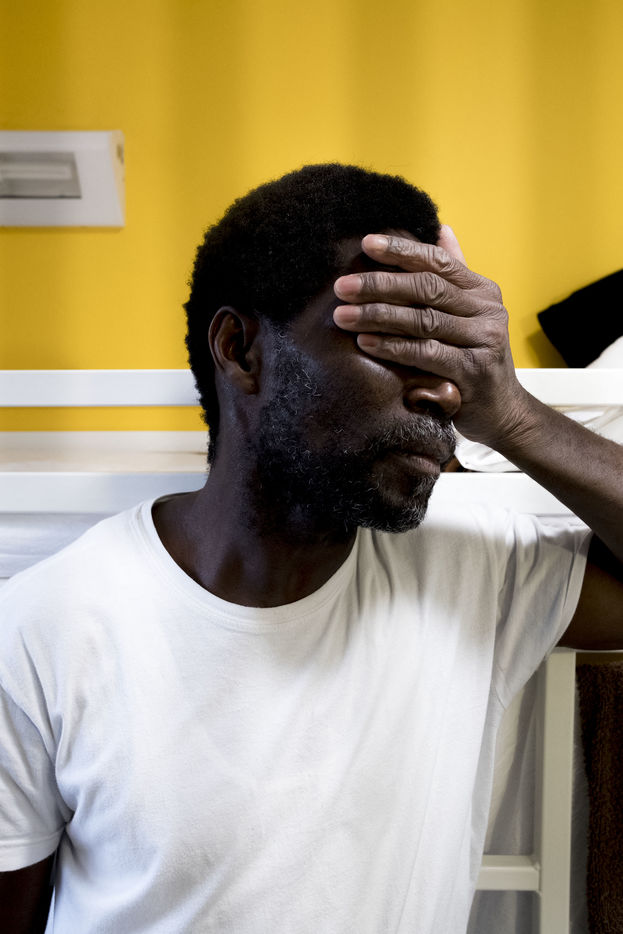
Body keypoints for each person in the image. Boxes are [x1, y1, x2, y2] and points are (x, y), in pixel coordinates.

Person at [0, 163, 622, 934]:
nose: (441, 391)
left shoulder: (475, 571)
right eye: (396, 345)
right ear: (240, 349)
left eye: (450, 359)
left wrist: (514, 414)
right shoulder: (42, 629)